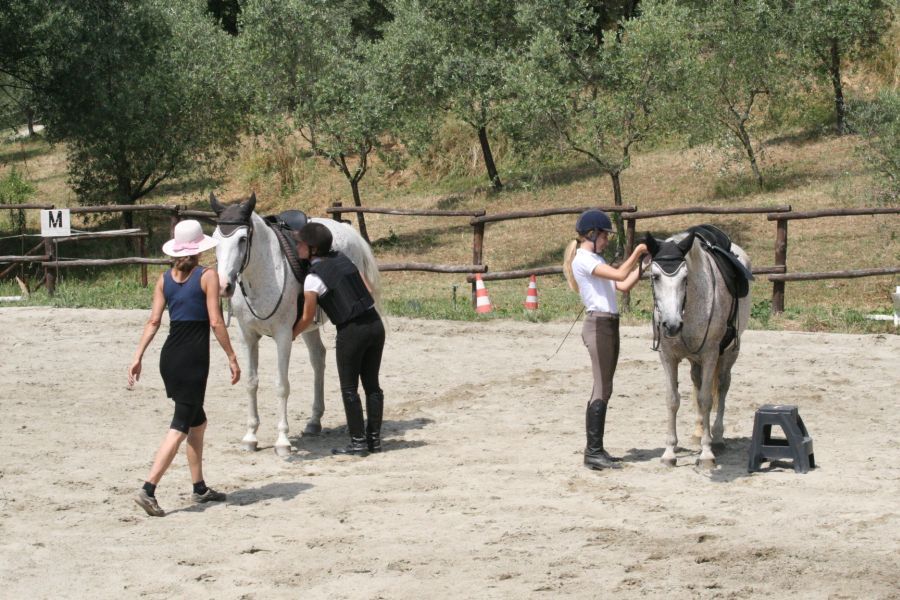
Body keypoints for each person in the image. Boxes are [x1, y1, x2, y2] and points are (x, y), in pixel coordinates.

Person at [128, 219, 241, 517]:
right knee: (180, 425)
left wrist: (138, 356)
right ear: (199, 249)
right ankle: (148, 489)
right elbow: (216, 321)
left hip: (170, 357)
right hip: (193, 359)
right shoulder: (208, 276)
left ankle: (199, 488)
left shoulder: (163, 279)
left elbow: (153, 321)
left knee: (197, 422)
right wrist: (231, 355)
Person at [563, 209, 647, 471]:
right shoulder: (584, 259)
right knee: (601, 388)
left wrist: (644, 266)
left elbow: (622, 285)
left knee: (606, 387)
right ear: (592, 234)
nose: (607, 241)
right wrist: (638, 251)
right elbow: (621, 274)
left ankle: (597, 449)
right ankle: (593, 452)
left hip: (609, 324)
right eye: (605, 236)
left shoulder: (594, 259)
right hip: (599, 325)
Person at [292, 222, 385, 456]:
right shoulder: (346, 260)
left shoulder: (312, 279)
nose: (297, 247)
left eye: (301, 244)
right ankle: (374, 440)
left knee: (349, 388)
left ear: (313, 249)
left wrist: (292, 334)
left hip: (351, 331)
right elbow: (368, 288)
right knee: (372, 385)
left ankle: (358, 443)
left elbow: (307, 317)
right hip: (374, 324)